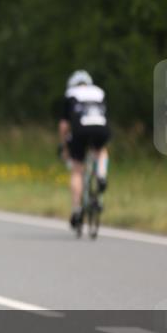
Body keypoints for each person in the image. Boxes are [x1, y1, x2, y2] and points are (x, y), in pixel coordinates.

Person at [59, 70, 110, 228]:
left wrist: (64, 146)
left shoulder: (71, 94)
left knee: (77, 170)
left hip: (80, 130)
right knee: (101, 152)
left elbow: (64, 126)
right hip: (100, 127)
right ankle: (101, 175)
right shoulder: (99, 92)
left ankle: (76, 209)